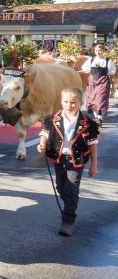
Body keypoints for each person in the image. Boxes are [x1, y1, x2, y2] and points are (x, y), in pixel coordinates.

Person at [37, 87, 99, 236]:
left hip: (76, 161)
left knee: (71, 189)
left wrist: (94, 165)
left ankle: (69, 221)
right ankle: (69, 206)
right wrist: (42, 144)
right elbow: (44, 134)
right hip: (59, 159)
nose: (69, 105)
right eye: (65, 101)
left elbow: (92, 145)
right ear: (61, 101)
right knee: (61, 187)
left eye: (73, 102)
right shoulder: (51, 119)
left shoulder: (89, 123)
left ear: (80, 103)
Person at [81, 43, 115, 126]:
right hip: (92, 81)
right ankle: (96, 117)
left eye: (99, 50)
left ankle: (100, 118)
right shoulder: (91, 59)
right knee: (92, 99)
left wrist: (103, 71)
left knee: (100, 99)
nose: (98, 52)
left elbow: (112, 71)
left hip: (103, 81)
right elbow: (84, 68)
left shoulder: (108, 60)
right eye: (96, 50)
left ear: (103, 51)